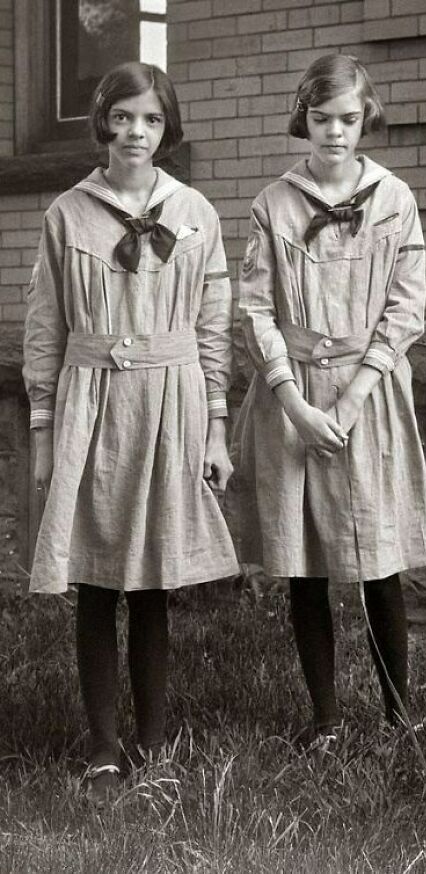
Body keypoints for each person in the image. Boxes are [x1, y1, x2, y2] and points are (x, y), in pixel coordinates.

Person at [22, 62, 238, 803]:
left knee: (150, 581)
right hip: (92, 403)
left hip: (170, 402)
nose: (135, 133)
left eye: (150, 120)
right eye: (122, 118)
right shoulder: (67, 214)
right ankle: (103, 746)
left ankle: (153, 740)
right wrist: (45, 432)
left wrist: (215, 429)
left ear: (166, 129)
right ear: (102, 124)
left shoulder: (196, 212)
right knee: (94, 579)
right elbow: (45, 327)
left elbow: (213, 326)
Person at [230, 54, 426, 747]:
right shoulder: (274, 204)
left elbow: (406, 309)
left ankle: (398, 715)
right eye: (321, 119)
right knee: (305, 563)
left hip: (367, 393)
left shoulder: (394, 199)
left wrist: (351, 401)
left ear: (366, 118)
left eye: (348, 119)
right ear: (305, 120)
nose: (335, 132)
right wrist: (293, 402)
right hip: (294, 395)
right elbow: (255, 309)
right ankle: (326, 719)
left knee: (377, 561)